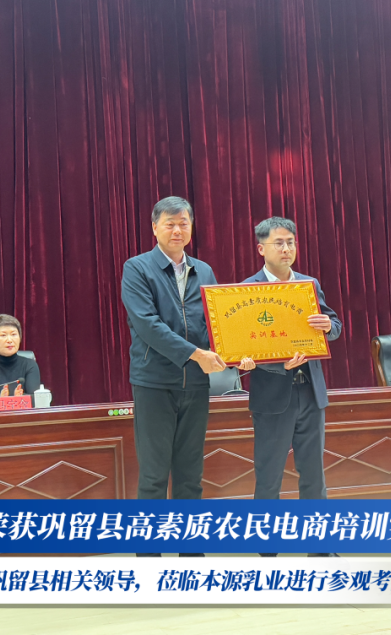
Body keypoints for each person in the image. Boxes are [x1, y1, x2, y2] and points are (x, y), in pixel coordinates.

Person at [120, 196, 225, 555]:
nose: (177, 230)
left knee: (190, 475)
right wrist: (196, 354)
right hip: (154, 382)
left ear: (192, 227)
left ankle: (190, 554)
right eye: (170, 223)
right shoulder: (137, 268)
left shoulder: (204, 271)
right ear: (155, 228)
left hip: (195, 384)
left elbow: (216, 324)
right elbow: (147, 325)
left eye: (184, 223)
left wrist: (235, 352)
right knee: (153, 475)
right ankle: (149, 557)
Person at [236, 217, 342, 557]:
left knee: (313, 474)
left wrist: (328, 325)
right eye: (279, 243)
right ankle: (267, 552)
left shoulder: (308, 284)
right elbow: (240, 346)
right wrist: (265, 363)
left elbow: (334, 324)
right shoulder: (245, 290)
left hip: (310, 391)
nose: (286, 249)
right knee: (269, 475)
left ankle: (319, 548)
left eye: (291, 243)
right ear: (261, 248)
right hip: (272, 396)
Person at [0, 314, 42, 409]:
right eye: (3, 335)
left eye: (13, 334)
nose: (9, 340)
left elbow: (37, 399)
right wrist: (2, 400)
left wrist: (15, 399)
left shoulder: (30, 365)